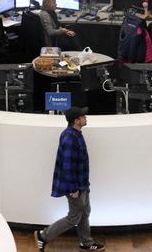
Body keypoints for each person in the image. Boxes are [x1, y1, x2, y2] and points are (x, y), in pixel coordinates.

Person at [35, 107, 105, 251]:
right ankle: (43, 236)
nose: (86, 118)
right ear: (76, 121)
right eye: (83, 116)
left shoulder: (76, 134)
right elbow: (68, 167)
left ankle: (86, 242)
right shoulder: (69, 138)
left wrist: (83, 184)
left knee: (85, 212)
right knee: (74, 218)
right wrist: (74, 188)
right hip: (75, 187)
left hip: (82, 184)